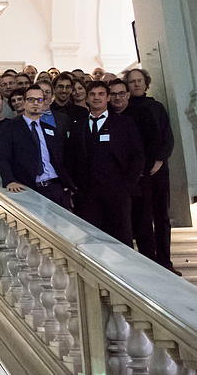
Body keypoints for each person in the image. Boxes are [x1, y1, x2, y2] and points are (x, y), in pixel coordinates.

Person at [67, 81, 144, 247]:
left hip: (117, 192)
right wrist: (74, 187)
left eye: (101, 94)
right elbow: (70, 158)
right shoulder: (77, 127)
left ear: (108, 97)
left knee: (122, 239)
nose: (97, 98)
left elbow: (138, 156)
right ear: (86, 98)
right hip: (87, 195)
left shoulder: (124, 124)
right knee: (90, 241)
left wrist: (127, 185)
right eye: (93, 94)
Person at [125, 68, 178, 274]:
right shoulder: (124, 110)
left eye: (140, 81)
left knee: (162, 216)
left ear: (146, 83)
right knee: (143, 217)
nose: (136, 84)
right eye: (132, 82)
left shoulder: (156, 107)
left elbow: (168, 137)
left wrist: (160, 160)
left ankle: (166, 261)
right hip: (138, 174)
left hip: (158, 170)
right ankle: (149, 261)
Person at [109, 79, 161, 262]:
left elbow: (154, 141)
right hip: (117, 182)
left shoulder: (142, 113)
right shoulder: (105, 117)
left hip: (140, 178)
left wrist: (150, 165)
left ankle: (151, 266)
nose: (117, 98)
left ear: (128, 95)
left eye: (121, 93)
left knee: (143, 225)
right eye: (113, 94)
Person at [0, 86, 74, 208]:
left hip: (56, 186)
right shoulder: (10, 127)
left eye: (39, 100)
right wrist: (9, 181)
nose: (35, 103)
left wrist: (68, 184)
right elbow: (3, 157)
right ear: (24, 102)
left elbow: (62, 158)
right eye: (31, 100)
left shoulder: (49, 128)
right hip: (30, 187)